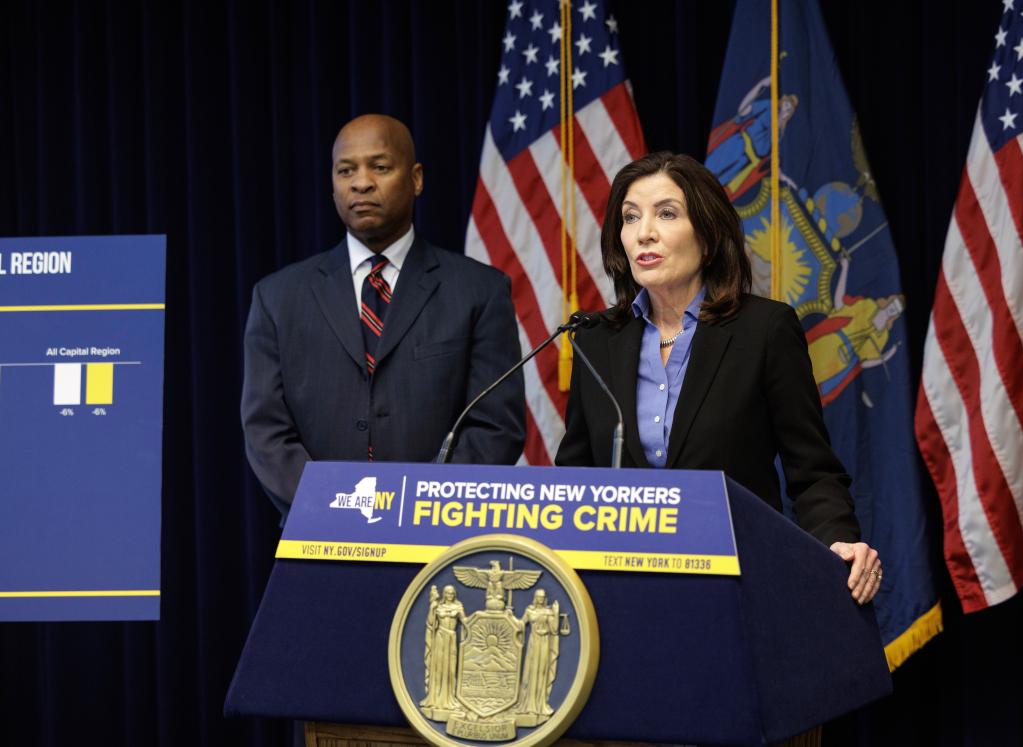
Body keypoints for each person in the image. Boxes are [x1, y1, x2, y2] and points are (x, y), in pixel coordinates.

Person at [555, 152, 881, 606]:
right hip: (619, 593)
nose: (643, 232)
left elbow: (813, 472)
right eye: (630, 217)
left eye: (666, 214)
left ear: (708, 236)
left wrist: (836, 540)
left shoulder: (763, 331)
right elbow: (574, 479)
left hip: (736, 584)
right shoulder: (596, 340)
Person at [241, 114, 525, 517]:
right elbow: (265, 431)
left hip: (437, 542)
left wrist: (418, 512)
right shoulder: (277, 298)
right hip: (321, 537)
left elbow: (495, 428)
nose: (361, 182)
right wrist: (336, 508)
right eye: (345, 170)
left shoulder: (479, 292)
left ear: (417, 179)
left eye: (380, 167)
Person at [516, 589, 561, 722]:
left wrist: (556, 614)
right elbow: (520, 624)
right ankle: (529, 704)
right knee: (532, 671)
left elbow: (554, 629)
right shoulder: (530, 610)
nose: (540, 599)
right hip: (533, 642)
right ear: (535, 598)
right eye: (538, 597)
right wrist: (509, 615)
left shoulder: (548, 612)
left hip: (544, 642)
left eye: (542, 597)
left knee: (541, 671)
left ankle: (540, 704)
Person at [420, 585, 466, 713]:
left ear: (454, 594)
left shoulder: (458, 607)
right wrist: (432, 607)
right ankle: (435, 699)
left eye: (452, 593)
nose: (450, 595)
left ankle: (448, 698)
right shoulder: (438, 607)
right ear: (444, 594)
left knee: (450, 669)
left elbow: (465, 622)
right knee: (439, 668)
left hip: (451, 638)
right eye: (447, 593)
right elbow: (430, 623)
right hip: (440, 638)